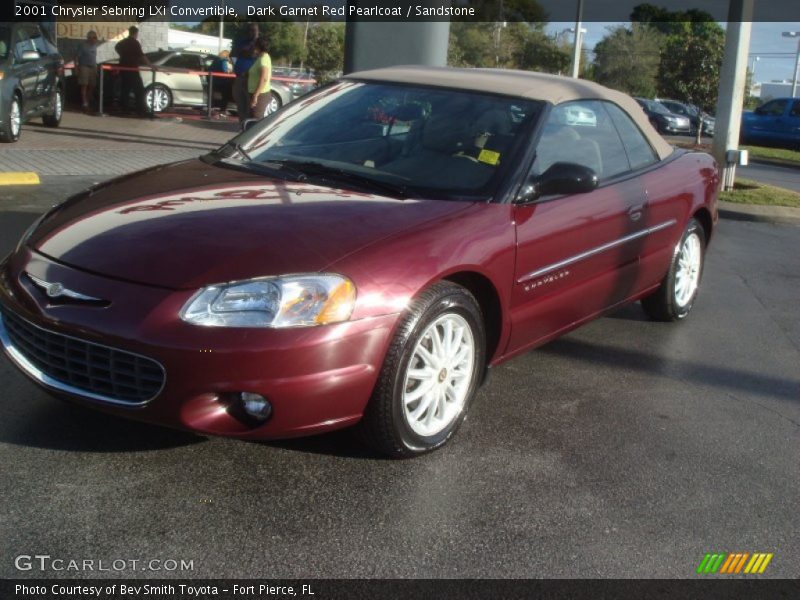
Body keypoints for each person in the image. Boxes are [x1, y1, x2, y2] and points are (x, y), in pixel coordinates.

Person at [114, 26, 152, 114]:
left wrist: (123, 55)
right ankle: (140, 108)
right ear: (136, 33)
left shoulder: (123, 42)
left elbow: (116, 47)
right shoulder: (135, 43)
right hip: (132, 68)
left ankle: (124, 108)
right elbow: (141, 55)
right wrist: (150, 65)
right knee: (139, 89)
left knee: (125, 89)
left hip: (123, 68)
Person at [231, 23, 259, 123]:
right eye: (250, 30)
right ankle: (242, 127)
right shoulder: (242, 42)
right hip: (239, 77)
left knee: (250, 107)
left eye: (255, 30)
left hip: (250, 80)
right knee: (240, 106)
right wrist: (236, 66)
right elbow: (233, 55)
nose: (253, 33)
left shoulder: (259, 44)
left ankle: (249, 128)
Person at [248, 38, 272, 120]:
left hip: (261, 95)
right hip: (256, 93)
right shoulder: (260, 58)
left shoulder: (263, 59)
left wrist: (256, 95)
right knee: (253, 118)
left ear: (258, 46)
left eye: (254, 45)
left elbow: (264, 78)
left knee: (256, 120)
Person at [75, 30, 98, 113]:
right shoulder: (83, 46)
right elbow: (76, 57)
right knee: (84, 85)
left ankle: (87, 101)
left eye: (96, 37)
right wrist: (76, 68)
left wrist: (96, 68)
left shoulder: (95, 46)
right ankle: (84, 103)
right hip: (84, 66)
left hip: (93, 67)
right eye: (93, 37)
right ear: (89, 38)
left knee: (92, 85)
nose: (95, 39)